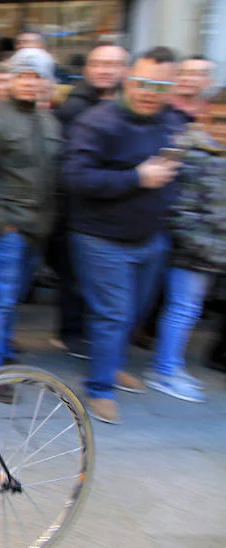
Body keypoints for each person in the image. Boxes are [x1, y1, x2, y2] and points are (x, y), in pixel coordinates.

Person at [62, 48, 183, 425]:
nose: (149, 92)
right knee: (112, 314)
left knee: (134, 312)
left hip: (150, 237)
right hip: (101, 239)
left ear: (170, 88)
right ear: (128, 80)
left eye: (159, 86)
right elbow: (75, 177)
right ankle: (99, 388)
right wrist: (137, 178)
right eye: (143, 83)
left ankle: (111, 365)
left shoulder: (172, 121)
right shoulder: (97, 122)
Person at [0, 49, 62, 373]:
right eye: (23, 75)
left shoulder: (49, 121)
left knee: (12, 299)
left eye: (36, 76)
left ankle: (1, 348)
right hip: (8, 227)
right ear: (11, 79)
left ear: (47, 83)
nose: (29, 82)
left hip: (38, 228)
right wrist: (3, 224)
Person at [143, 89, 226, 402]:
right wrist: (206, 246)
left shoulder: (215, 151)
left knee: (188, 310)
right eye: (218, 118)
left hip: (210, 251)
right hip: (193, 252)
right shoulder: (190, 151)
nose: (222, 126)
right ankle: (165, 370)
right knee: (182, 310)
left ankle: (170, 367)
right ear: (205, 114)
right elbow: (179, 210)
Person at [49, 42, 129, 359]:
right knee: (76, 278)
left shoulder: (128, 104)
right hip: (77, 209)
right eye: (99, 63)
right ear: (87, 69)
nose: (106, 70)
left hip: (114, 210)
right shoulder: (75, 108)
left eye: (113, 64)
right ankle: (73, 335)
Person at [171, 55, 216, 124]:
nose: (185, 78)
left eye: (193, 74)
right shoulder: (162, 109)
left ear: (210, 81)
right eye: (180, 73)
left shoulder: (216, 112)